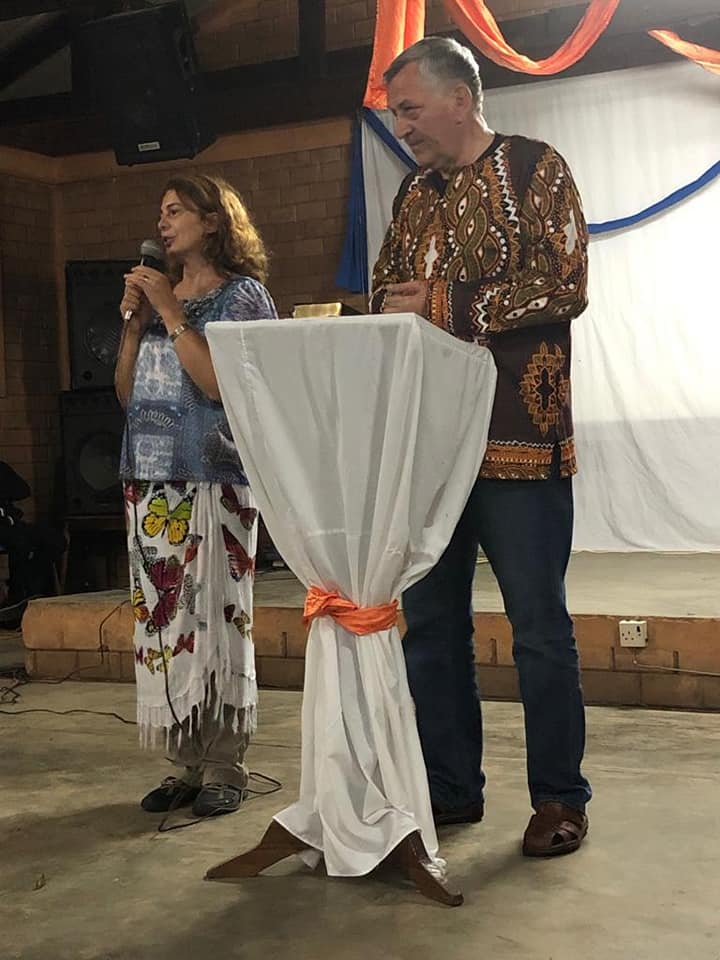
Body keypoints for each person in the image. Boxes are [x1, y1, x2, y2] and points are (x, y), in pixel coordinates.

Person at [371, 37, 591, 857]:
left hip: (519, 439)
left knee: (538, 627)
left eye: (410, 109)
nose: (402, 127)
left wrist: (445, 303)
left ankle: (560, 798)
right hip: (430, 446)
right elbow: (386, 288)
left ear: (461, 99)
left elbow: (564, 284)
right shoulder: (412, 194)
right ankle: (450, 789)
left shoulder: (536, 169)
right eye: (396, 114)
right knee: (430, 626)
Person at [115, 173, 277, 818]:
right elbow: (127, 395)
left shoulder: (242, 297)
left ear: (213, 221)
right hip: (152, 479)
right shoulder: (158, 298)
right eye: (160, 212)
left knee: (217, 620)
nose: (163, 222)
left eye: (176, 210)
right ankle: (183, 762)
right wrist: (134, 326)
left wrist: (171, 313)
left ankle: (224, 764)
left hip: (215, 477)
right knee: (165, 623)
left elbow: (218, 386)